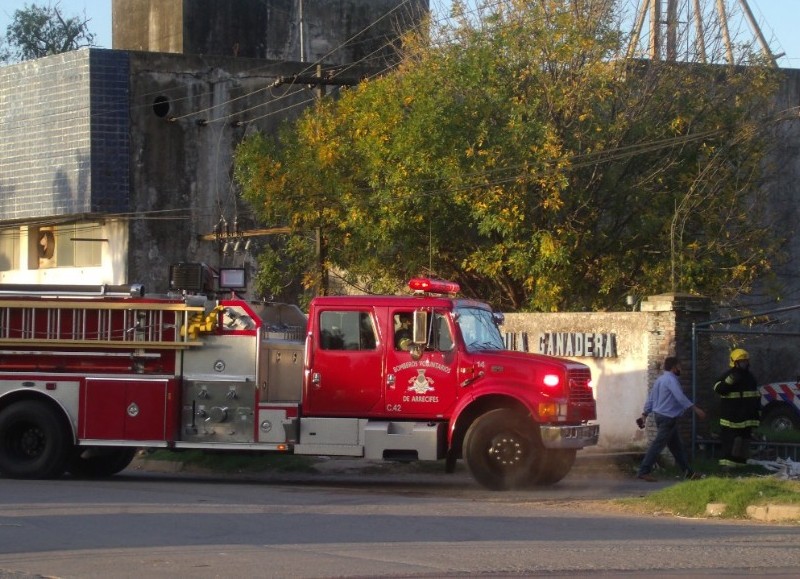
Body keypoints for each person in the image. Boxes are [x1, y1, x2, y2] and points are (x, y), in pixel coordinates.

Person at [636, 356, 706, 482]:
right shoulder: (671, 381)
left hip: (661, 417)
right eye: (679, 366)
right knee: (657, 445)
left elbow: (651, 398)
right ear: (674, 368)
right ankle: (643, 471)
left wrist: (645, 414)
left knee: (677, 448)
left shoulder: (660, 380)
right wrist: (696, 409)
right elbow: (680, 397)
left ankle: (689, 473)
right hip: (668, 418)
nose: (681, 369)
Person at [713, 348, 761, 468]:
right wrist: (730, 381)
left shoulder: (750, 378)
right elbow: (718, 389)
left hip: (746, 417)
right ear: (734, 362)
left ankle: (740, 465)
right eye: (741, 361)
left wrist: (756, 416)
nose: (744, 363)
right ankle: (727, 466)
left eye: (746, 361)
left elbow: (755, 397)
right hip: (731, 417)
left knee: (744, 440)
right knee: (731, 440)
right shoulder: (729, 376)